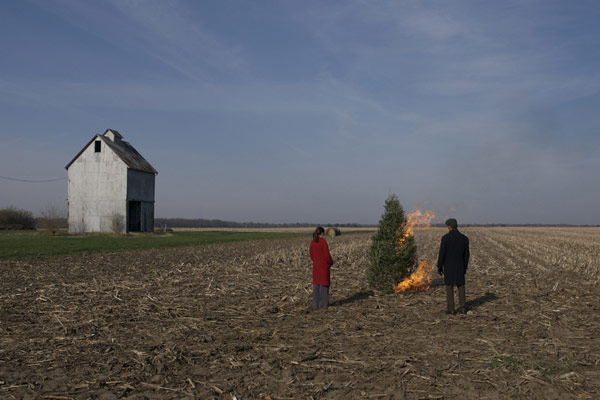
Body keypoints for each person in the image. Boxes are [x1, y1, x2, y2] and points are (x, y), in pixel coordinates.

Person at [437, 218, 470, 314]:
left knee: (449, 287)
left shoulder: (445, 238)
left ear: (449, 227)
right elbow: (467, 255)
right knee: (461, 286)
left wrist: (439, 266)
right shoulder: (464, 238)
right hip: (460, 266)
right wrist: (465, 266)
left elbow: (442, 254)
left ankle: (451, 309)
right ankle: (463, 308)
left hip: (449, 266)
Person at [310, 226, 333, 308]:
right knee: (324, 284)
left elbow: (311, 255)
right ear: (322, 233)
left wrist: (316, 261)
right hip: (324, 266)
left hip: (316, 266)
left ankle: (315, 303)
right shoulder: (323, 242)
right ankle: (323, 304)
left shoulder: (313, 242)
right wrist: (330, 263)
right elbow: (327, 256)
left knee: (316, 285)